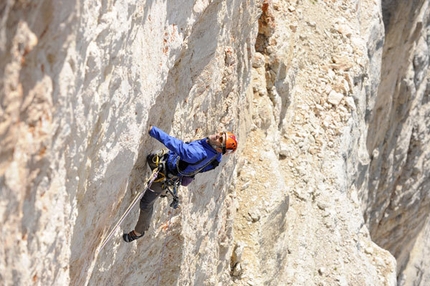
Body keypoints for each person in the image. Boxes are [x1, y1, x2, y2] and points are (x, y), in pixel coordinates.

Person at [123, 126, 238, 242]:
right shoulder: (215, 154)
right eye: (221, 134)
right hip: (172, 162)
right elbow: (210, 164)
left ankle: (138, 232)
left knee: (146, 203)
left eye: (221, 140)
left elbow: (176, 145)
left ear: (219, 149)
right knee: (151, 157)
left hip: (167, 174)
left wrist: (153, 130)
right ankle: (163, 189)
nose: (218, 135)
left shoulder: (197, 154)